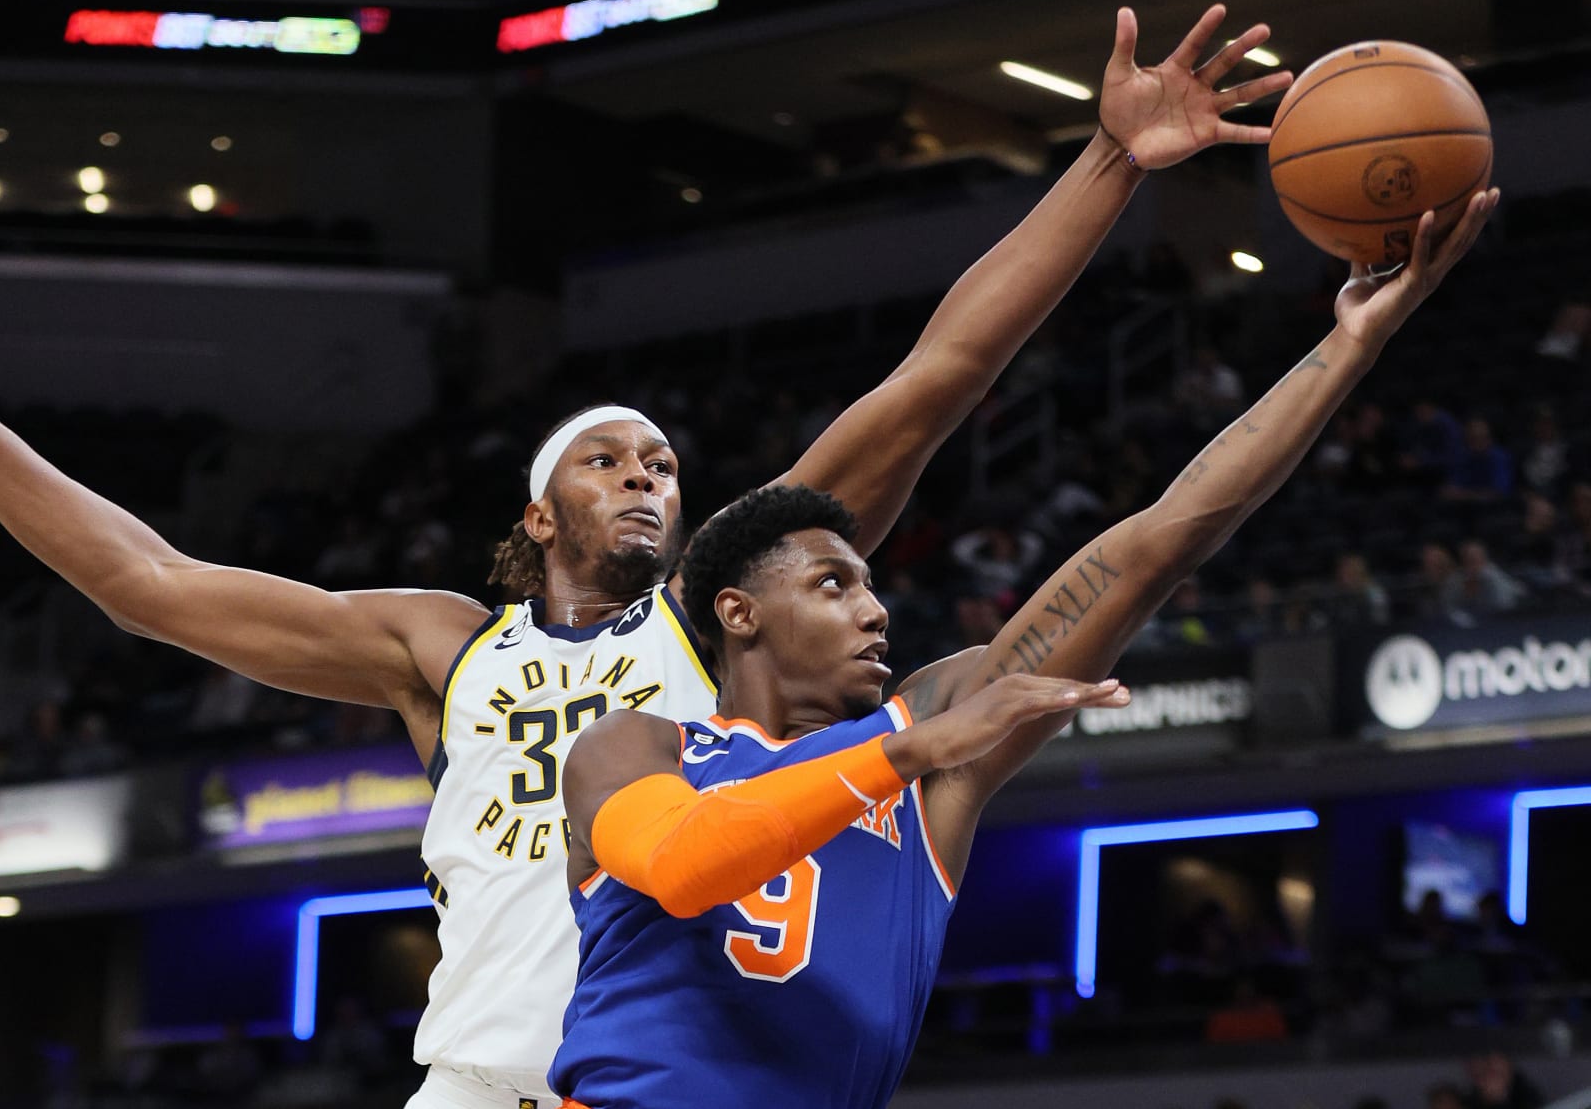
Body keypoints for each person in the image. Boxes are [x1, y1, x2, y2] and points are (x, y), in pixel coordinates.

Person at [0, 5, 1291, 1109]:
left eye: (661, 456)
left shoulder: (719, 617)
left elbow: (940, 370)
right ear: (539, 513)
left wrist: (1109, 161)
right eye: (608, 456)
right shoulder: (441, 646)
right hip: (470, 1081)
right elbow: (145, 582)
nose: (648, 472)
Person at [551, 193, 1496, 1109]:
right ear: (739, 612)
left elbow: (1157, 543)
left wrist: (1348, 348)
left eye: (875, 585)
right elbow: (682, 866)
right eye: (834, 585)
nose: (876, 611)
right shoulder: (638, 747)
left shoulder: (931, 750)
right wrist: (905, 750)